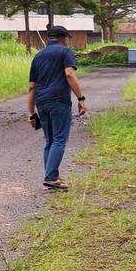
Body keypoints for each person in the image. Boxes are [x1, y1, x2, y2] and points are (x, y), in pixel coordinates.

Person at [25, 24, 87, 190]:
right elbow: (69, 74)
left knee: (50, 141)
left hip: (42, 102)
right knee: (59, 139)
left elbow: (32, 87)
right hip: (59, 100)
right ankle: (51, 177)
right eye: (67, 39)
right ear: (64, 39)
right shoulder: (65, 52)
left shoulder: (37, 56)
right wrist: (80, 98)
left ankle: (51, 176)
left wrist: (31, 113)